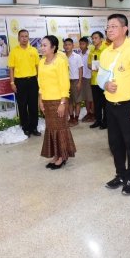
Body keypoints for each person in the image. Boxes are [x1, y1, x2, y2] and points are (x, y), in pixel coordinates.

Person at [101, 13, 130, 195]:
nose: (109, 30)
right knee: (114, 143)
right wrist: (105, 85)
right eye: (108, 26)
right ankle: (120, 174)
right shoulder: (106, 52)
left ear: (124, 29)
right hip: (111, 104)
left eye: (113, 26)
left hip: (129, 105)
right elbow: (102, 79)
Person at [38, 35, 76, 169]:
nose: (42, 48)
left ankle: (62, 156)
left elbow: (64, 84)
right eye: (41, 45)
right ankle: (56, 155)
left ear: (53, 48)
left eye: (45, 45)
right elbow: (41, 83)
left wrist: (63, 103)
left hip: (58, 100)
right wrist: (40, 100)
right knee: (51, 129)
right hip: (46, 101)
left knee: (60, 129)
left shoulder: (60, 62)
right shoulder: (42, 62)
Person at [8, 29, 41, 137]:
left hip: (32, 80)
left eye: (26, 36)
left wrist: (40, 80)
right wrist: (12, 83)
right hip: (19, 81)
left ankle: (34, 127)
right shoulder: (14, 51)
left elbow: (38, 67)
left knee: (33, 105)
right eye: (22, 36)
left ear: (29, 38)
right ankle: (25, 128)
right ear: (18, 38)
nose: (24, 38)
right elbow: (11, 69)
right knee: (22, 106)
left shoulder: (34, 50)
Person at [88, 31, 108, 129]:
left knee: (104, 102)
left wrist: (101, 68)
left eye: (96, 38)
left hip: (103, 81)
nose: (94, 40)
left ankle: (106, 121)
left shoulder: (106, 50)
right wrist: (92, 66)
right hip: (94, 80)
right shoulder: (91, 51)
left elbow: (109, 65)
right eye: (93, 38)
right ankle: (98, 120)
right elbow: (88, 64)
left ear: (101, 39)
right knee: (97, 102)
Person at [64, 38, 83, 127]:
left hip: (75, 81)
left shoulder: (77, 57)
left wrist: (79, 82)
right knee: (69, 101)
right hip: (66, 82)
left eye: (69, 44)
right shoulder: (63, 57)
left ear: (73, 46)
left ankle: (76, 118)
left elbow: (80, 70)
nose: (67, 46)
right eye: (66, 45)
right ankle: (71, 117)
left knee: (77, 101)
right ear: (64, 46)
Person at [78, 37, 94, 122]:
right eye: (80, 44)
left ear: (87, 44)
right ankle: (88, 113)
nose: (81, 45)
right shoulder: (79, 55)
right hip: (82, 78)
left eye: (83, 44)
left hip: (90, 77)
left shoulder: (90, 53)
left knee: (91, 98)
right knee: (86, 97)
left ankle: (93, 114)